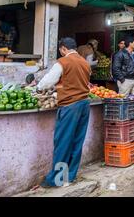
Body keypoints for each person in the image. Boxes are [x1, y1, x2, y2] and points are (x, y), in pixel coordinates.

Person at [36, 37, 91, 188]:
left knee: (63, 142)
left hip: (70, 106)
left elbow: (48, 81)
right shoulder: (85, 63)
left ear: (63, 48)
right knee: (76, 142)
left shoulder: (63, 62)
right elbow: (78, 82)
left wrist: (38, 88)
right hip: (84, 104)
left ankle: (57, 179)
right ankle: (70, 176)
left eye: (60, 50)